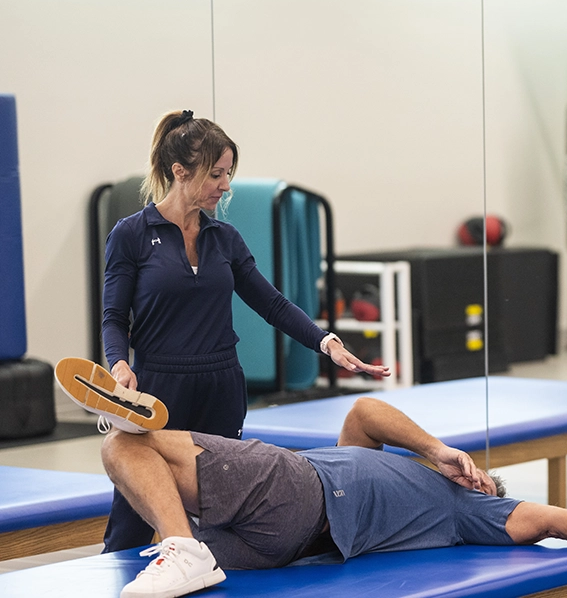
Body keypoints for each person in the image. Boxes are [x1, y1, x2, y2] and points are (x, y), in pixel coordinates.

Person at [100, 110, 389, 553]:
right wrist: (119, 365)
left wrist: (326, 343)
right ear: (180, 171)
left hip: (221, 387)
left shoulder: (225, 238)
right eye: (216, 174)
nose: (226, 185)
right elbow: (114, 317)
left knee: (219, 516)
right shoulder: (132, 235)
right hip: (158, 389)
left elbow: (271, 303)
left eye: (228, 173)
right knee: (133, 519)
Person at [84, 393, 567, 598]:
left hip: (302, 490)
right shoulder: (394, 465)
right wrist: (437, 451)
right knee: (133, 455)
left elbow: (555, 519)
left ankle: (173, 525)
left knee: (124, 448)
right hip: (286, 542)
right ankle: (183, 540)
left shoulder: (471, 510)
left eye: (483, 476)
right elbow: (364, 414)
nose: (473, 474)